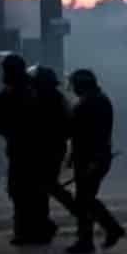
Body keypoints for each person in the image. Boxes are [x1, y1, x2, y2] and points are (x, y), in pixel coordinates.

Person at [64, 69, 125, 254]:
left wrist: (95, 160)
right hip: (90, 158)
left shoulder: (92, 102)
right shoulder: (95, 100)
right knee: (84, 199)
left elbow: (95, 134)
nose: (72, 88)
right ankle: (91, 237)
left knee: (84, 200)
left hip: (92, 159)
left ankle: (101, 233)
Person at [0, 54, 52, 245]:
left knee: (20, 192)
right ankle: (40, 227)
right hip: (38, 149)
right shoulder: (36, 91)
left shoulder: (4, 96)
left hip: (20, 150)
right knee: (36, 192)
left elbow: (3, 128)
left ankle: (24, 231)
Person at [28, 65, 82, 241]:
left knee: (46, 185)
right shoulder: (56, 98)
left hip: (48, 148)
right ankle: (45, 223)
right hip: (54, 147)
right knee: (44, 186)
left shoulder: (44, 99)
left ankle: (79, 211)